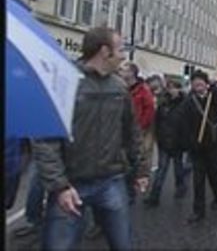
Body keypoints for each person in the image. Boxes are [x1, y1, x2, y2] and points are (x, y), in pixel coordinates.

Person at [32, 27, 149, 250]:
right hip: (71, 185)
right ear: (105, 51)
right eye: (121, 48)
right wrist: (59, 186)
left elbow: (132, 132)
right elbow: (46, 141)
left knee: (123, 244)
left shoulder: (120, 87)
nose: (124, 55)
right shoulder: (65, 82)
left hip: (111, 181)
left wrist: (141, 169)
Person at [173, 70, 217, 223]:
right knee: (198, 180)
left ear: (206, 83)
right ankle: (198, 211)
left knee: (214, 176)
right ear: (192, 85)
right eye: (195, 83)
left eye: (201, 82)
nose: (198, 85)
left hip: (213, 145)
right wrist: (189, 141)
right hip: (196, 147)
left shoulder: (214, 97)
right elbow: (181, 122)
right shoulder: (188, 102)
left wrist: (216, 92)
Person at [144, 79, 188, 207]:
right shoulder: (164, 103)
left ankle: (180, 187)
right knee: (161, 170)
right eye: (169, 87)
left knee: (178, 168)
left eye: (174, 87)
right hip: (164, 141)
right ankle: (154, 197)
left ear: (179, 89)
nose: (172, 90)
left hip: (178, 142)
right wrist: (158, 136)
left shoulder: (185, 103)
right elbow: (157, 120)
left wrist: (185, 140)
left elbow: (187, 124)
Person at [119, 61, 156, 205]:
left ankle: (130, 189)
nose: (120, 72)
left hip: (136, 129)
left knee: (134, 157)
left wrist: (139, 126)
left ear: (132, 73)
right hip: (121, 130)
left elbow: (149, 109)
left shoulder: (142, 90)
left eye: (124, 70)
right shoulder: (120, 87)